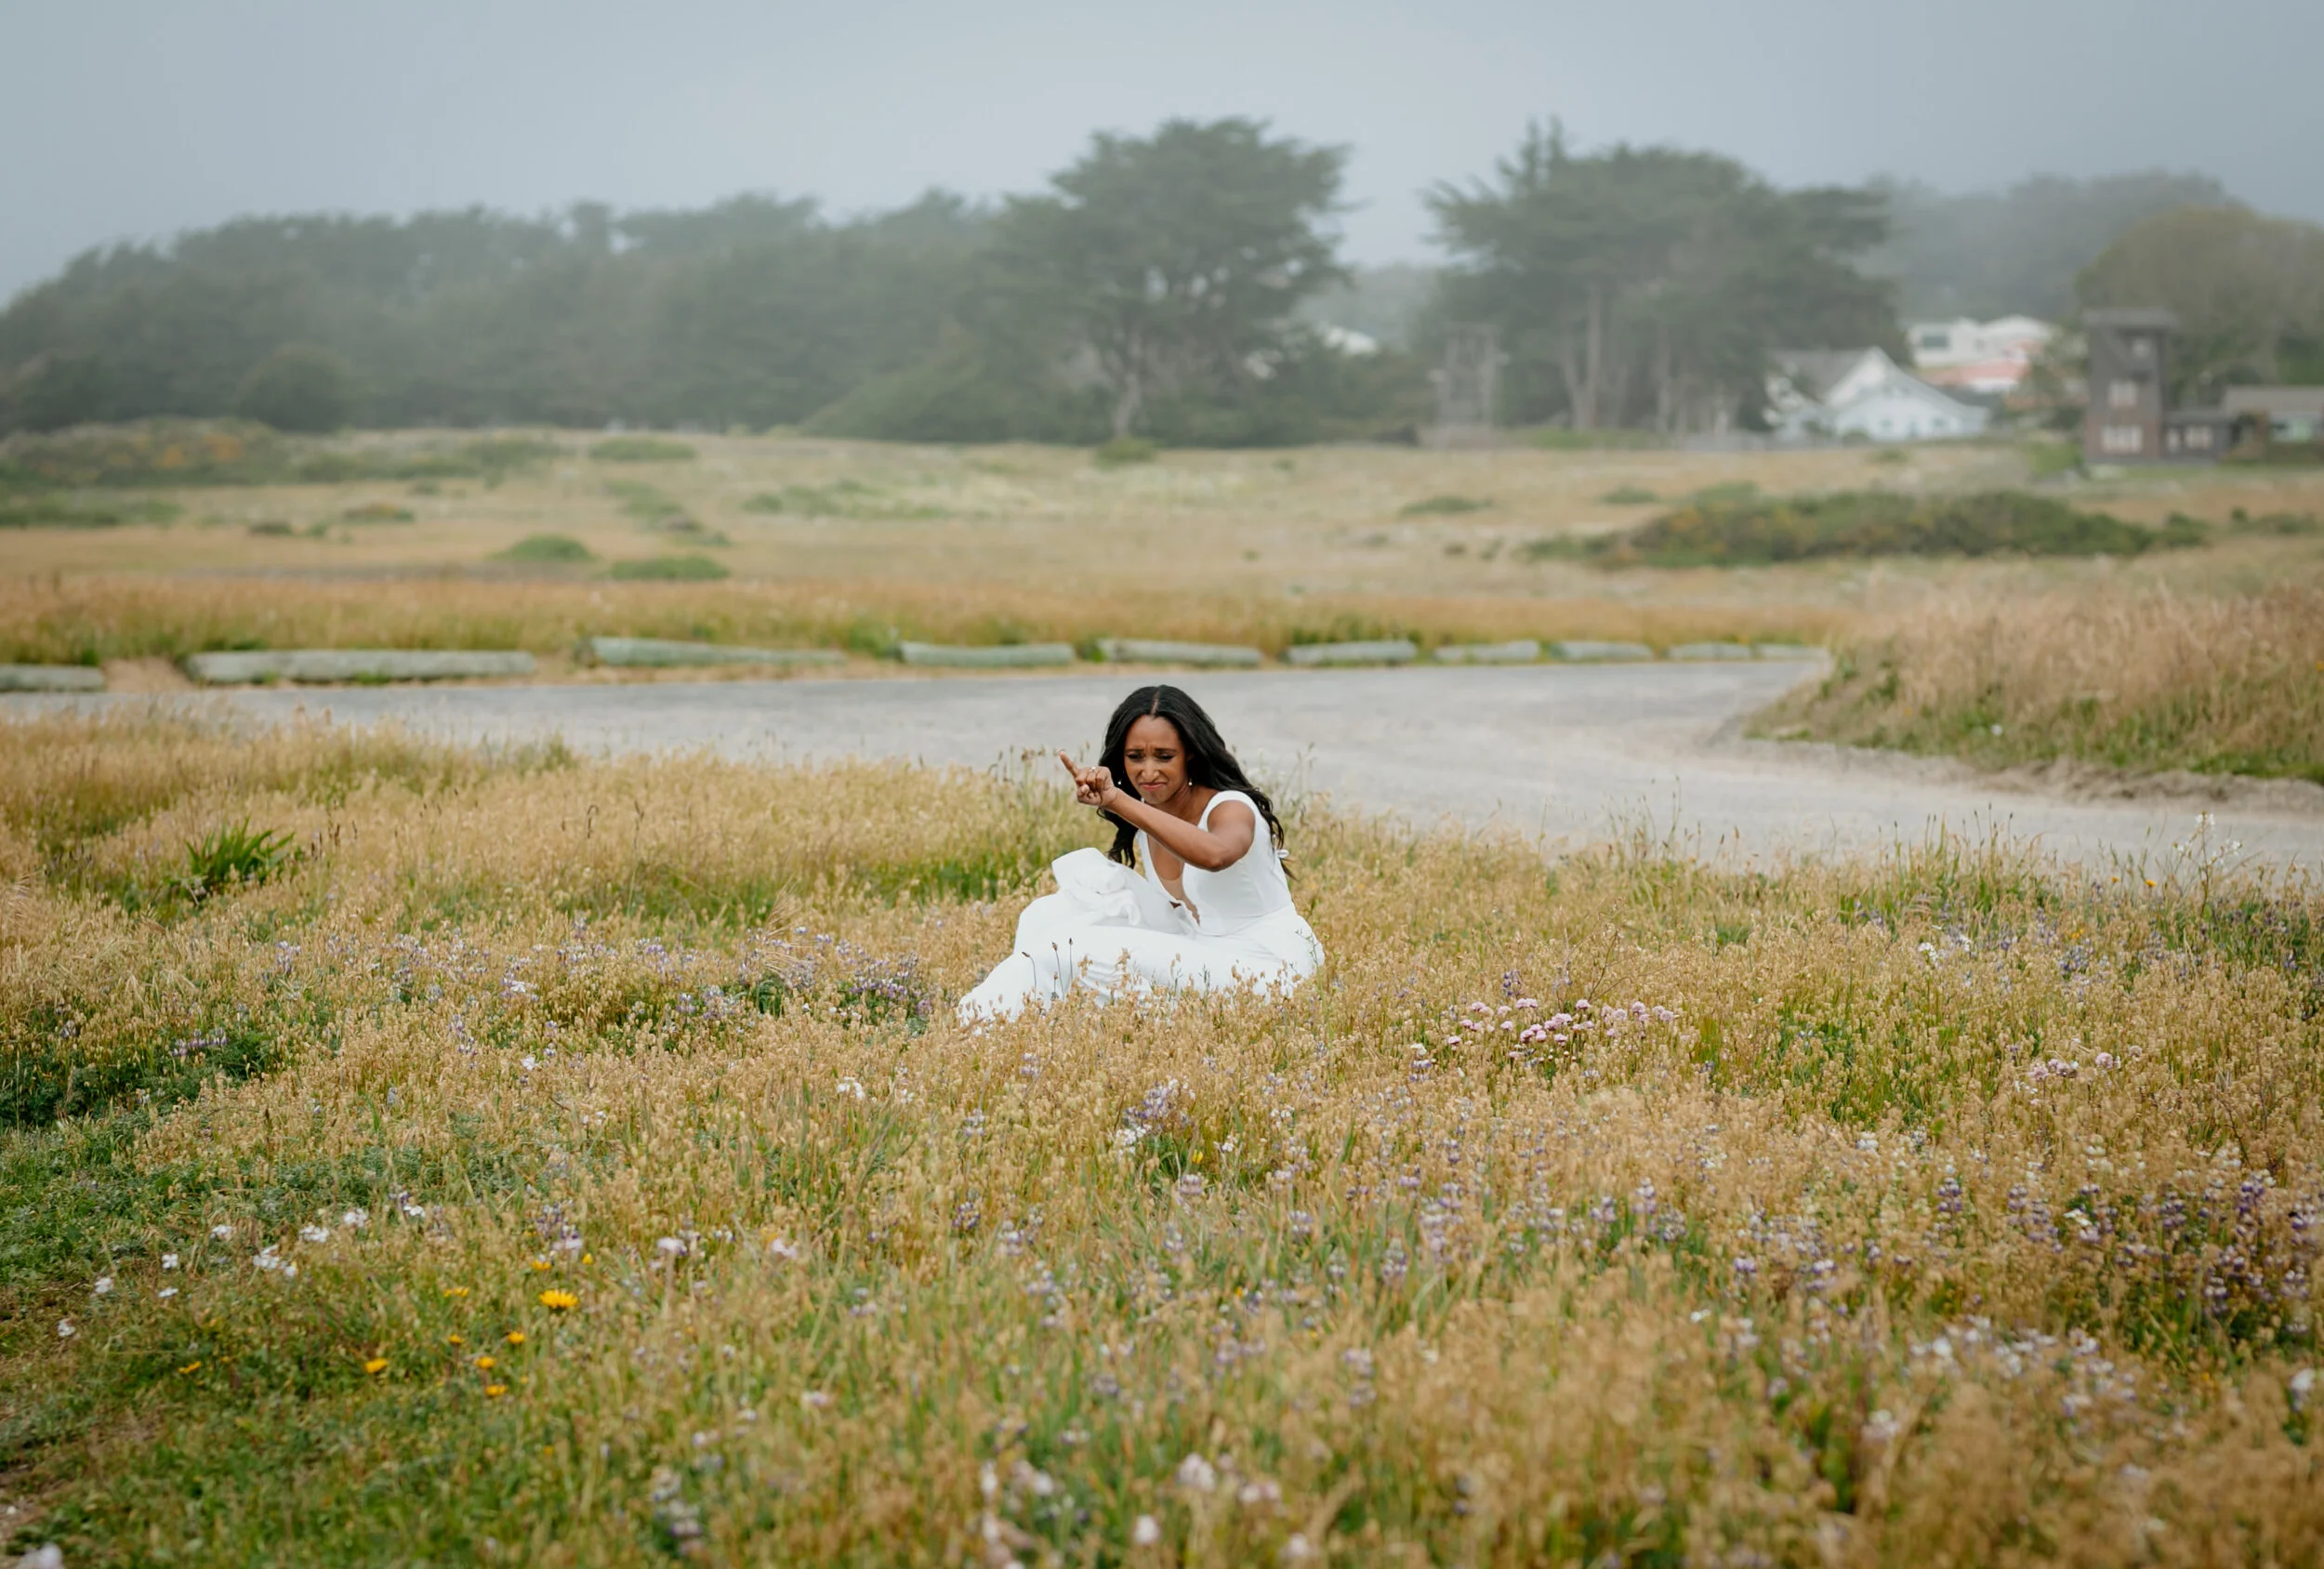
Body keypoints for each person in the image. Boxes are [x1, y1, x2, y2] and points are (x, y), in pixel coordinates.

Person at [957, 685, 1324, 1021]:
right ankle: (1012, 1022)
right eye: (1135, 757)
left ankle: (981, 1023)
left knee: (1070, 949)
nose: (1148, 772)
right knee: (1046, 917)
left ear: (1190, 754)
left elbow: (1216, 855)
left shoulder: (1231, 807)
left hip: (1267, 967)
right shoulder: (1152, 813)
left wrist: (1119, 801)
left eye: (1164, 756)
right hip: (1203, 952)